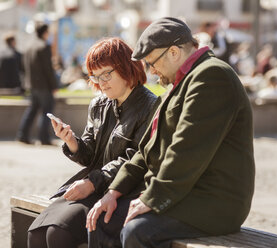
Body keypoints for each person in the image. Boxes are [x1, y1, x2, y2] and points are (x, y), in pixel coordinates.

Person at [86, 17, 255, 248]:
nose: (152, 71)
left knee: (136, 231)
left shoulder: (212, 76)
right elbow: (146, 149)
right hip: (182, 192)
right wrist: (114, 191)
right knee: (101, 220)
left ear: (174, 52)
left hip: (211, 201)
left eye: (152, 62)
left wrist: (150, 199)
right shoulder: (181, 81)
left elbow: (187, 151)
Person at [27, 37, 157, 248]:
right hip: (93, 184)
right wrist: (71, 142)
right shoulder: (99, 103)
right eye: (95, 76)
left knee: (57, 232)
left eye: (107, 73)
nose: (101, 82)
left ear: (126, 66)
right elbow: (89, 154)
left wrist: (93, 182)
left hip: (122, 190)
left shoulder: (150, 106)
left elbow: (134, 159)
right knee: (37, 233)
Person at [16, 23, 58, 145]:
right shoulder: (44, 46)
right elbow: (48, 69)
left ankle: (22, 135)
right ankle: (43, 138)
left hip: (31, 85)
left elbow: (24, 67)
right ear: (45, 32)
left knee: (32, 110)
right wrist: (54, 85)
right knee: (47, 112)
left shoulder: (29, 46)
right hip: (44, 85)